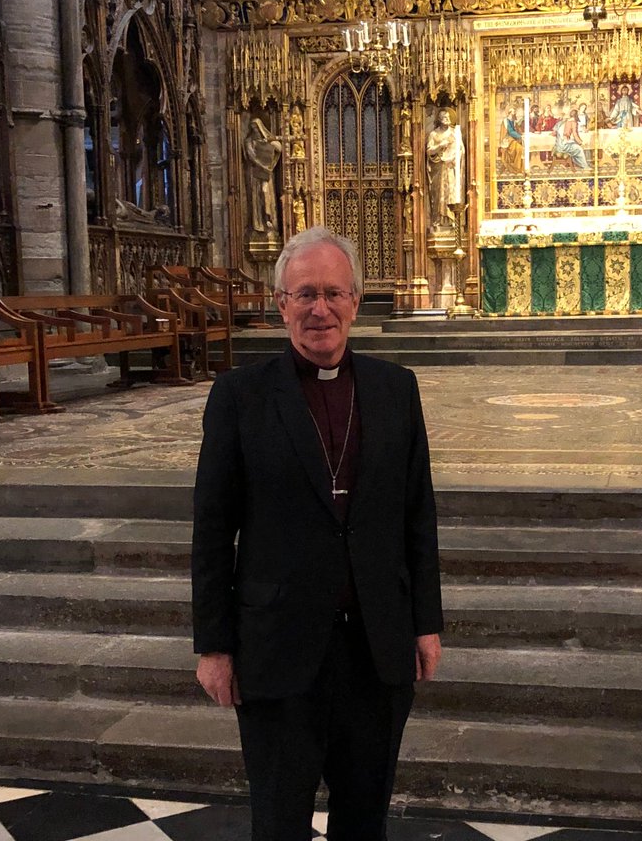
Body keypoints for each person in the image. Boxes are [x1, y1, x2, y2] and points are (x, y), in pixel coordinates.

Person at [192, 227, 443, 841]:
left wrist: (426, 622)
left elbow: (418, 513)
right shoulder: (240, 396)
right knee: (278, 824)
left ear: (356, 301)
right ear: (281, 304)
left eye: (333, 293)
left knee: (365, 821)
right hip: (277, 649)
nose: (319, 309)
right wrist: (214, 647)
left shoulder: (396, 389)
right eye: (303, 294)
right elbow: (212, 527)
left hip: (377, 649)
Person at [425, 107, 464, 228]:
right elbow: (429, 151)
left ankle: (453, 219)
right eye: (443, 117)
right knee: (438, 193)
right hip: (439, 168)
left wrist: (453, 158)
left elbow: (461, 150)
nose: (446, 119)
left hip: (451, 168)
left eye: (447, 117)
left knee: (452, 192)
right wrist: (440, 146)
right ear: (439, 119)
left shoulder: (455, 133)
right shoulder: (434, 134)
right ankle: (438, 218)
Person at [245, 117, 283, 234]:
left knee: (266, 193)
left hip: (267, 173)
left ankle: (269, 218)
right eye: (253, 128)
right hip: (256, 174)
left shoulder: (267, 139)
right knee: (259, 195)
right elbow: (252, 157)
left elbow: (280, 148)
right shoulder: (249, 141)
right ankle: (260, 223)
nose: (255, 130)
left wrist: (269, 141)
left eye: (257, 127)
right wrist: (262, 166)